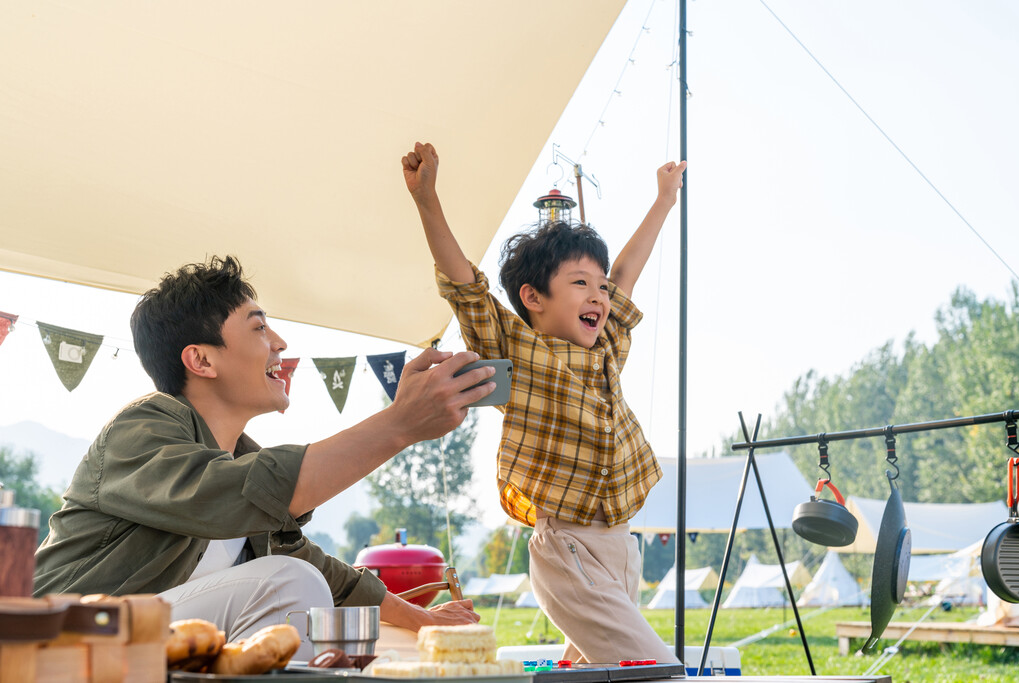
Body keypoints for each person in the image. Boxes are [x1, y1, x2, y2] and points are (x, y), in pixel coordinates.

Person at [34, 255, 495, 660]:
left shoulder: (237, 457)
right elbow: (237, 497)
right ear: (201, 360)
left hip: (141, 646)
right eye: (258, 327)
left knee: (337, 609)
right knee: (289, 584)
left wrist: (420, 618)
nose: (279, 343)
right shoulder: (142, 429)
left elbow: (319, 565)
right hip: (60, 646)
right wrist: (400, 424)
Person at [403, 142, 685, 664]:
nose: (599, 296)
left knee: (592, 674)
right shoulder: (517, 350)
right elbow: (465, 287)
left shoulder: (606, 348)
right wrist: (427, 200)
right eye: (580, 284)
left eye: (599, 287)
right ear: (533, 298)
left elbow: (624, 274)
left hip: (622, 546)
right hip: (568, 547)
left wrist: (664, 200)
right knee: (657, 671)